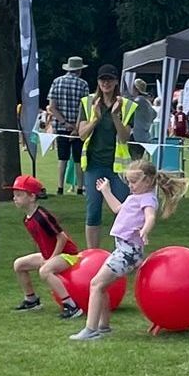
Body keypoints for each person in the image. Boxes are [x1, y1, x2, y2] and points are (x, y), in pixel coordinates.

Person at [71, 158, 187, 340]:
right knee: (101, 286)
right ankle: (103, 326)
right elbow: (118, 209)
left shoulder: (148, 199)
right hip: (123, 250)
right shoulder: (134, 197)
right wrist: (106, 191)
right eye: (129, 181)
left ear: (147, 181)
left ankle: (91, 329)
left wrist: (145, 229)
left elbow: (150, 217)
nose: (130, 185)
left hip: (128, 252)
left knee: (96, 284)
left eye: (134, 182)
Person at [77, 64, 138, 250]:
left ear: (116, 81)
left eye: (110, 79)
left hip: (118, 167)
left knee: (123, 212)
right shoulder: (88, 103)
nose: (106, 83)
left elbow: (125, 137)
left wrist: (115, 116)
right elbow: (82, 134)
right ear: (98, 81)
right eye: (103, 79)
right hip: (94, 165)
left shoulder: (127, 106)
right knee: (93, 211)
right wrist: (95, 119)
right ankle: (92, 254)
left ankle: (123, 252)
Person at [7, 175, 83, 318]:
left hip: (68, 255)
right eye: (14, 195)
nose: (14, 198)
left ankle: (71, 306)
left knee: (44, 271)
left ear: (32, 197)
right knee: (19, 265)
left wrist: (51, 258)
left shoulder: (42, 216)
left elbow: (62, 237)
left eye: (19, 195)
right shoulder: (28, 219)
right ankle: (31, 300)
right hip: (50, 254)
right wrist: (46, 256)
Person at [49, 57, 89, 196]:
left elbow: (52, 107)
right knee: (78, 159)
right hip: (78, 128)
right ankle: (80, 188)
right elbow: (84, 108)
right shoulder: (83, 84)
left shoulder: (56, 82)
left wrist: (64, 123)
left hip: (61, 127)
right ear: (79, 70)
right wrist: (76, 128)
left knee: (62, 159)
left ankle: (60, 187)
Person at [129, 79, 158, 158]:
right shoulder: (147, 102)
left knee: (134, 159)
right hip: (144, 135)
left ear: (135, 89)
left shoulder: (138, 100)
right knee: (139, 159)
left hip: (135, 136)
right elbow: (154, 114)